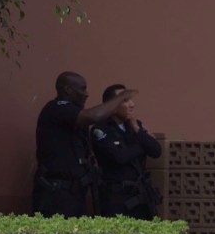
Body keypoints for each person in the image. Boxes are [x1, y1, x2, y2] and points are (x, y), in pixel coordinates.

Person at [33, 72, 138, 217]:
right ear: (68, 90)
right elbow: (94, 116)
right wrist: (120, 98)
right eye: (82, 89)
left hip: (74, 194)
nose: (86, 94)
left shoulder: (74, 113)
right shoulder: (57, 108)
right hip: (56, 194)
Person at [91, 84, 162, 220]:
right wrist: (142, 145)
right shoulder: (101, 129)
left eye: (131, 100)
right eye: (125, 100)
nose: (132, 105)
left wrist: (136, 129)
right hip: (116, 197)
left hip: (140, 196)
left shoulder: (136, 125)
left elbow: (156, 151)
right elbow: (119, 157)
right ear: (111, 105)